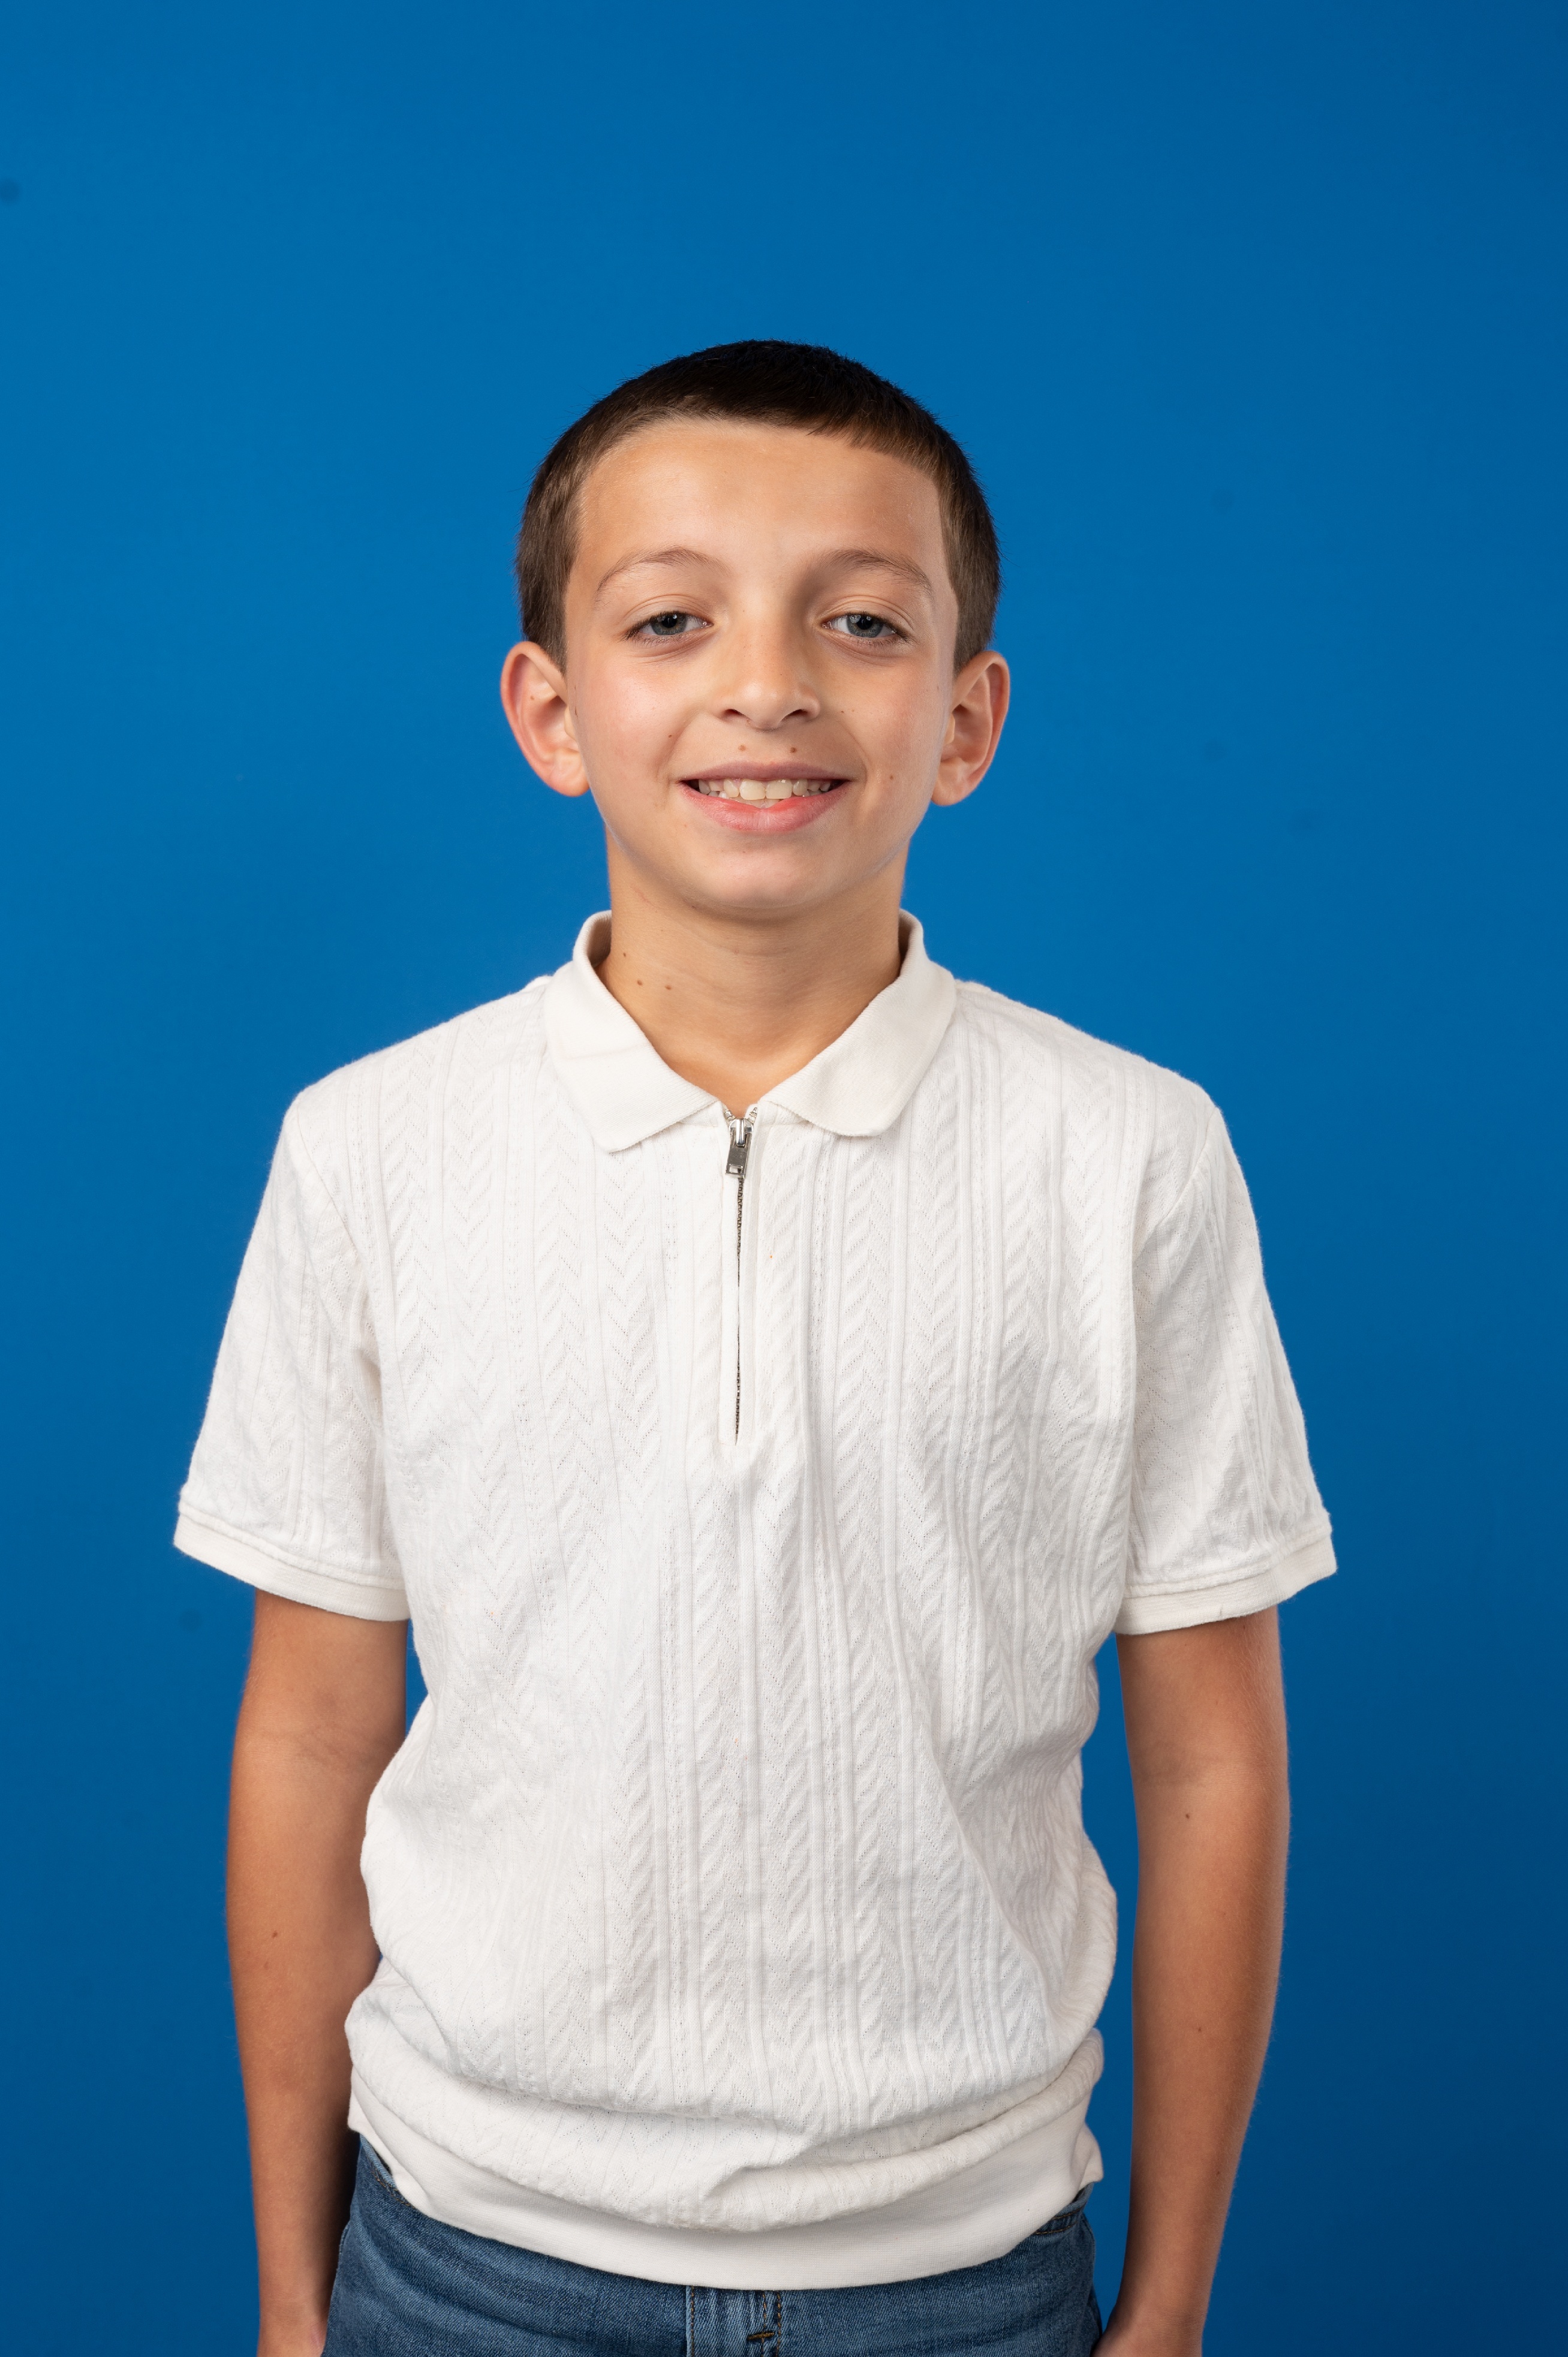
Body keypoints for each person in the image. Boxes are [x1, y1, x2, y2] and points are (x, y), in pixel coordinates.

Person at [176, 341, 1334, 2357]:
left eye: (861, 621)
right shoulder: (370, 1149)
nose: (769, 682)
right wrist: (295, 2292)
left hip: (961, 2270)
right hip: (468, 2258)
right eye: (672, 619)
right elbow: (310, 1732)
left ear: (966, 716)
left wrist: (1169, 2302)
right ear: (553, 710)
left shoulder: (1132, 1156)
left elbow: (1213, 1750)